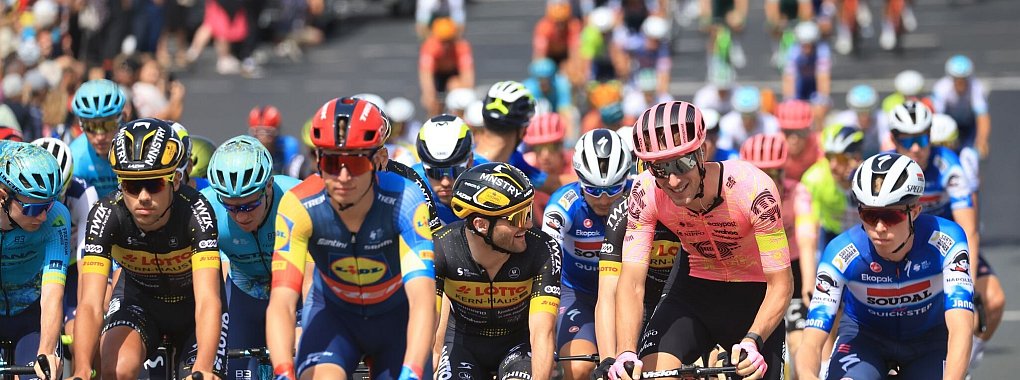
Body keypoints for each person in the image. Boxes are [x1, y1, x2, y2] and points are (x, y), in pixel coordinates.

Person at [610, 101, 792, 380]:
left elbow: (781, 284)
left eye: (681, 163)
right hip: (693, 291)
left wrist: (754, 340)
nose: (672, 180)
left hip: (754, 296)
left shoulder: (754, 190)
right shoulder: (645, 192)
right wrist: (624, 352)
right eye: (658, 169)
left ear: (702, 153)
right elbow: (632, 281)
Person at [267, 97, 436, 380]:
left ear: (377, 160)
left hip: (397, 318)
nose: (343, 176)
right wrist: (283, 370)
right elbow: (282, 300)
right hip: (334, 317)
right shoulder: (299, 205)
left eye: (355, 163)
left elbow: (422, 299)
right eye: (332, 163)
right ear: (318, 161)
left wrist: (413, 371)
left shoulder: (405, 199)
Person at [796, 153, 974, 380]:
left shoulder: (946, 240)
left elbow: (961, 327)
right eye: (870, 215)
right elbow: (811, 340)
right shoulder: (840, 253)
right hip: (865, 341)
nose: (879, 227)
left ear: (915, 212)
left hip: (930, 343)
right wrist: (808, 375)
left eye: (891, 216)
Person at [73, 118, 226, 380]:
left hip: (193, 307)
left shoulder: (196, 211)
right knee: (116, 369)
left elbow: (208, 299)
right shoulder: (105, 215)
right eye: (132, 185)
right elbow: (89, 304)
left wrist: (203, 367)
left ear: (175, 181)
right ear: (120, 184)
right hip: (139, 303)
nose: (143, 196)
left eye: (154, 184)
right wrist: (82, 369)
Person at [887, 100, 1004, 372]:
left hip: (948, 245)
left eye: (923, 138)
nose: (917, 147)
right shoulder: (886, 166)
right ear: (894, 139)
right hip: (903, 247)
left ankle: (966, 359)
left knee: (994, 300)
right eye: (908, 140)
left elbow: (969, 229)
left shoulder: (948, 164)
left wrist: (969, 284)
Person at [433, 162, 560, 380]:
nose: (528, 225)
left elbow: (542, 332)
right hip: (462, 344)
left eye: (528, 212)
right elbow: (427, 324)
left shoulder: (544, 249)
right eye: (519, 217)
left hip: (518, 346)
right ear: (482, 225)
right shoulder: (441, 248)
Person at [201, 135, 302, 380]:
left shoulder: (297, 197)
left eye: (249, 205)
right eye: (231, 207)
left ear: (268, 186)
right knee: (239, 374)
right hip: (245, 290)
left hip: (295, 290)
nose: (241, 217)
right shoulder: (205, 206)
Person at [542, 129, 631, 380]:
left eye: (614, 189)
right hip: (577, 293)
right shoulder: (562, 205)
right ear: (579, 179)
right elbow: (546, 262)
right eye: (593, 190)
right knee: (579, 367)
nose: (604, 200)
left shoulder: (639, 195)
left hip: (626, 293)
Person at [739, 134, 817, 374]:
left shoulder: (799, 193)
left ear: (785, 171)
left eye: (774, 174)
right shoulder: (735, 196)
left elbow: (806, 239)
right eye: (759, 174)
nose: (767, 182)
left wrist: (809, 282)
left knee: (798, 342)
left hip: (792, 268)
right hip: (753, 273)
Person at [0, 142, 70, 379]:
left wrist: (46, 352)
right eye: (32, 208)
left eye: (48, 205)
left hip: (31, 313)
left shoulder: (56, 218)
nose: (42, 216)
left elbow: (53, 291)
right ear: (3, 197)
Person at [30, 137, 100, 342]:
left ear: (68, 184)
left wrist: (84, 313)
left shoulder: (84, 194)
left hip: (70, 266)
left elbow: (85, 259)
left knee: (80, 333)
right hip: (32, 269)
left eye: (56, 196)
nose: (47, 208)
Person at [475, 81, 557, 193]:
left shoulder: (513, 159)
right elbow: (555, 184)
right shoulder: (511, 160)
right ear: (522, 130)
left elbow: (552, 183)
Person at [801, 125, 865, 247]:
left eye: (840, 158)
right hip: (832, 234)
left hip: (863, 234)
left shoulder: (869, 178)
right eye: (829, 157)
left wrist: (857, 181)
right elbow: (808, 230)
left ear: (856, 158)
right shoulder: (814, 179)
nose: (833, 165)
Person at [412, 114, 479, 225]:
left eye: (454, 171)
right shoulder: (411, 183)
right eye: (435, 173)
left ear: (470, 161)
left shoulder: (488, 175)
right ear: (423, 167)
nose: (445, 182)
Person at [69, 79, 126, 198]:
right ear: (81, 125)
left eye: (108, 125)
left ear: (122, 118)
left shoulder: (136, 146)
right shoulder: (75, 158)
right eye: (90, 126)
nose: (100, 137)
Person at [932, 55, 991, 158]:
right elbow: (936, 115)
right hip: (950, 124)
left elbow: (982, 117)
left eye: (964, 80)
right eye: (956, 79)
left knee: (972, 156)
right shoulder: (942, 88)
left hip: (969, 126)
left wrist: (982, 140)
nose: (960, 83)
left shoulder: (976, 88)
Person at [419, 17, 475, 116]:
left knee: (457, 90)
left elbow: (468, 78)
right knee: (433, 105)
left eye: (449, 41)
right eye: (442, 41)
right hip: (437, 75)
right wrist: (429, 94)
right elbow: (426, 74)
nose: (446, 46)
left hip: (454, 74)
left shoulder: (462, 47)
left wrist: (459, 93)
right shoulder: (429, 47)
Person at [782, 21, 831, 116]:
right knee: (791, 110)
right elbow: (789, 78)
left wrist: (823, 100)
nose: (807, 49)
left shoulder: (823, 51)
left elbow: (823, 78)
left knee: (820, 109)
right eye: (804, 45)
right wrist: (789, 101)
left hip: (814, 85)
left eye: (810, 45)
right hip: (800, 84)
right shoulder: (793, 51)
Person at [717, 85, 780, 151]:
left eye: (751, 115)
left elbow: (773, 151)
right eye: (743, 115)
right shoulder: (727, 123)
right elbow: (724, 151)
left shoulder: (770, 124)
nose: (747, 120)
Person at [836, 84, 892, 157]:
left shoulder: (883, 118)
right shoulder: (843, 121)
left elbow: (888, 146)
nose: (864, 116)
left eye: (869, 111)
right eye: (859, 112)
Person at [523, 113, 577, 186]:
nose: (545, 155)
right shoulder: (525, 165)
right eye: (538, 148)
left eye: (551, 147)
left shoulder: (576, 165)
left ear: (561, 146)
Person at [249, 105, 304, 176]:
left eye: (268, 132)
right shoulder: (246, 147)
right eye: (258, 132)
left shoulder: (288, 146)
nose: (263, 138)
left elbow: (293, 175)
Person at [522, 58, 575, 130]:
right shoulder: (528, 88)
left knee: (573, 114)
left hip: (556, 116)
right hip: (537, 119)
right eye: (540, 79)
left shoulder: (562, 85)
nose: (543, 82)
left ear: (552, 77)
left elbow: (565, 112)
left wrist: (568, 138)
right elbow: (527, 116)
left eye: (547, 78)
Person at [777, 99, 821, 181]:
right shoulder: (773, 147)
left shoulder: (818, 146)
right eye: (788, 132)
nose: (794, 139)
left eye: (801, 132)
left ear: (809, 130)